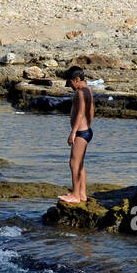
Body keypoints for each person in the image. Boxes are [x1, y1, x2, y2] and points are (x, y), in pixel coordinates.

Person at [58, 66, 95, 204]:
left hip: (81, 133)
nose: (68, 85)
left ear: (77, 79)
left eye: (69, 82)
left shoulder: (80, 92)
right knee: (80, 164)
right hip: (86, 131)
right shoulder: (88, 90)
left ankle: (75, 195)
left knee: (74, 163)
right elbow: (91, 112)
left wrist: (73, 133)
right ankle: (82, 193)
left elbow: (81, 112)